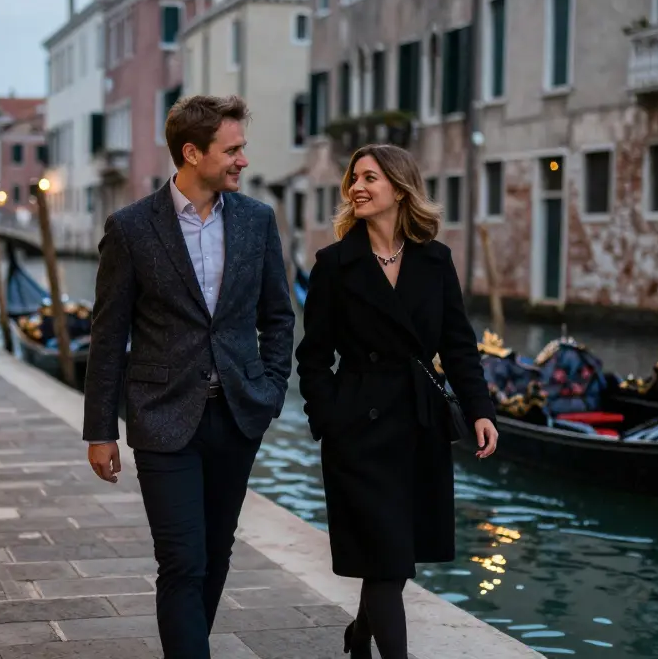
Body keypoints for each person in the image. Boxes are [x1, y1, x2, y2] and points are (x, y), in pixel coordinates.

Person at [82, 94, 295, 659]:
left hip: (238, 414)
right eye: (233, 149)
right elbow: (108, 334)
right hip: (162, 417)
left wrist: (272, 391)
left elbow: (278, 316)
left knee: (216, 553)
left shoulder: (257, 220)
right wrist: (100, 430)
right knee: (181, 560)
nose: (243, 160)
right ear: (193, 153)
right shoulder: (130, 228)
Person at [294, 144, 499, 659]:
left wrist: (480, 411)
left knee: (396, 556)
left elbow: (457, 345)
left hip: (418, 422)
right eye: (354, 178)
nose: (356, 187)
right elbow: (313, 356)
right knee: (386, 557)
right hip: (357, 431)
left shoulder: (435, 260)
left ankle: (361, 632)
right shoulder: (334, 265)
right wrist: (328, 418)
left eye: (370, 178)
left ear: (400, 189)